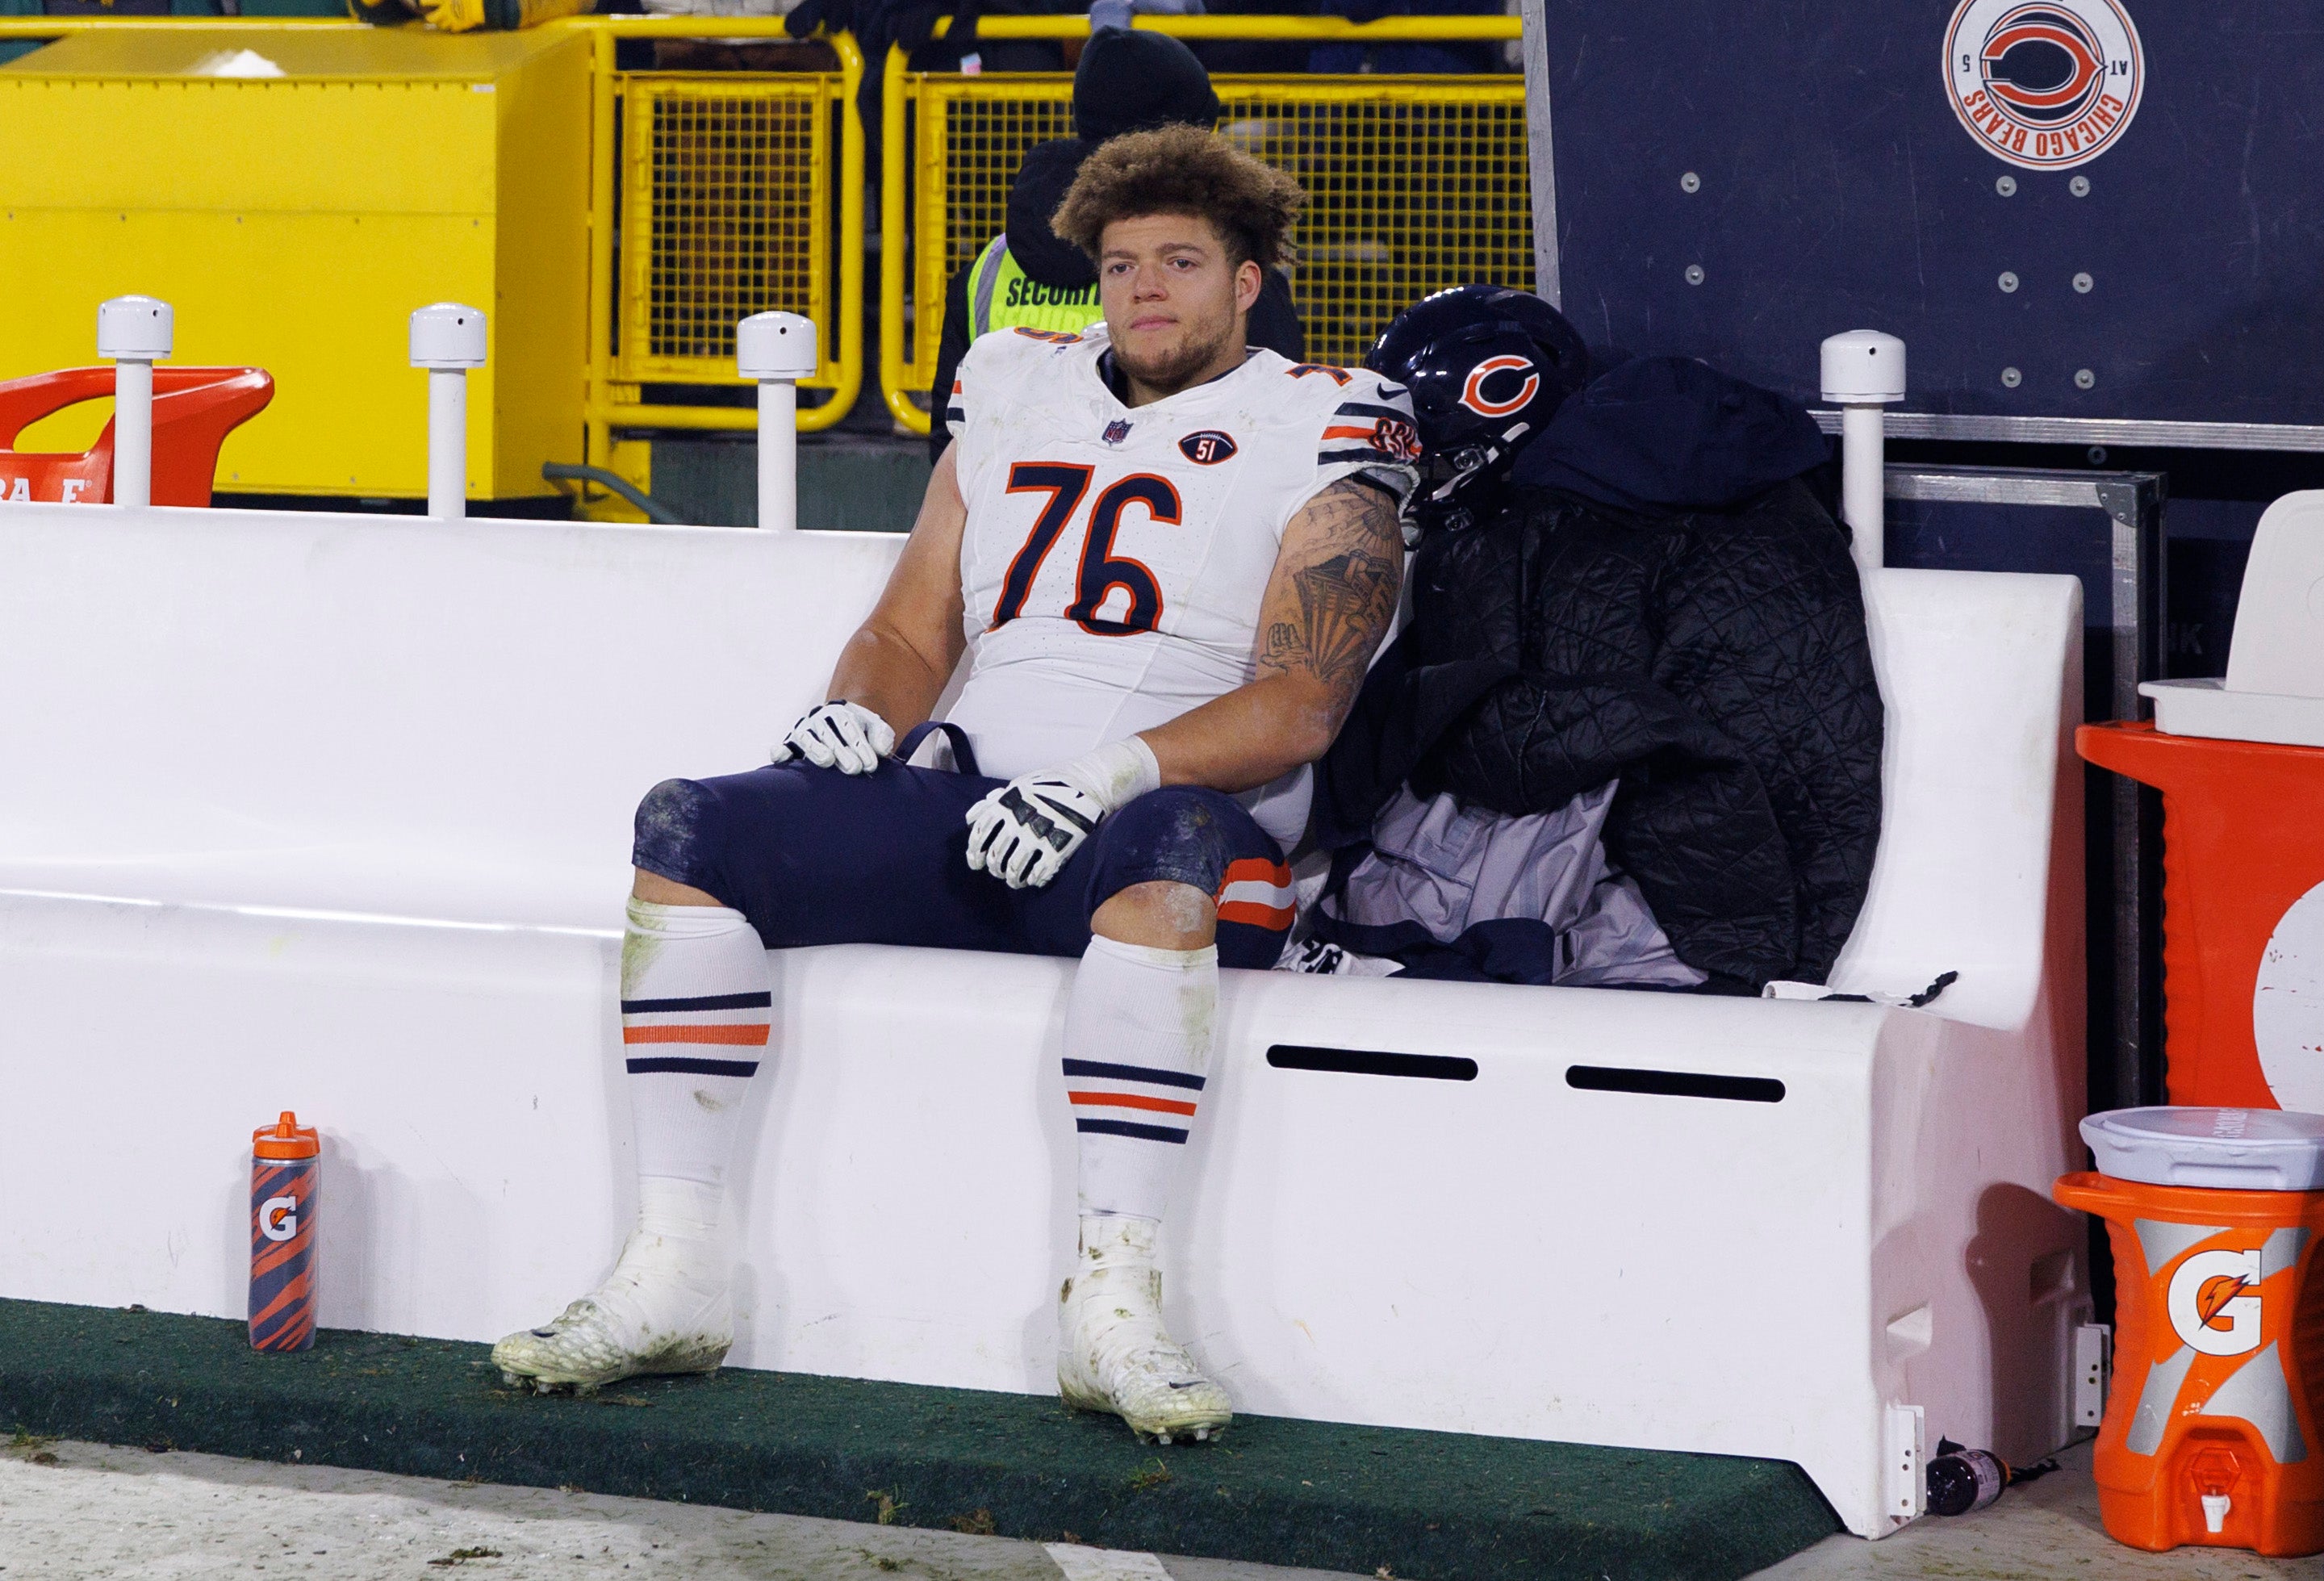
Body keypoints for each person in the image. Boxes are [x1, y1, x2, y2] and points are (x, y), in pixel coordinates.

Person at [492, 124, 1420, 1445]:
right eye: (1119, 265)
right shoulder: (1014, 386)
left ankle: (1115, 1302)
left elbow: (1304, 697)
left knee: (1165, 843)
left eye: (1180, 261)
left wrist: (1109, 771)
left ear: (1248, 281)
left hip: (1170, 836)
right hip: (979, 807)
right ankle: (675, 1264)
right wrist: (853, 718)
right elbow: (912, 633)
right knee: (694, 825)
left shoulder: (1323, 415)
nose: (1145, 289)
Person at [1297, 285, 1883, 992]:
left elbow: (1515, 729)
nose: (1430, 487)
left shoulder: (1536, 524)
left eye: (1445, 464)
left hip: (1705, 871)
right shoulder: (1718, 471)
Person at [926, 23, 1306, 464]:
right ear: (1187, 138)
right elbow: (1276, 422)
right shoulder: (1225, 260)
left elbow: (952, 440)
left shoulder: (989, 267)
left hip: (1017, 525)